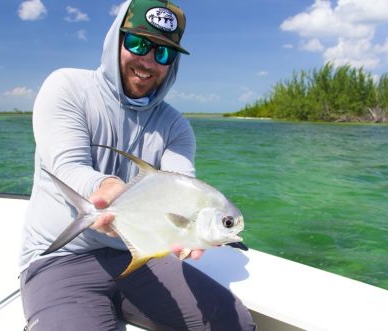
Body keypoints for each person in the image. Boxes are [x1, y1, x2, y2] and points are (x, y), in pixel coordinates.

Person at [19, 0, 256, 330]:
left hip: (142, 255)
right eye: (138, 43)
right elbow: (67, 167)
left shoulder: (175, 126)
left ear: (172, 63)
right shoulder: (67, 87)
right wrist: (104, 191)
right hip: (62, 259)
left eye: (163, 53)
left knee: (234, 323)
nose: (148, 60)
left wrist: (188, 239)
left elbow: (181, 186)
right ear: (116, 39)